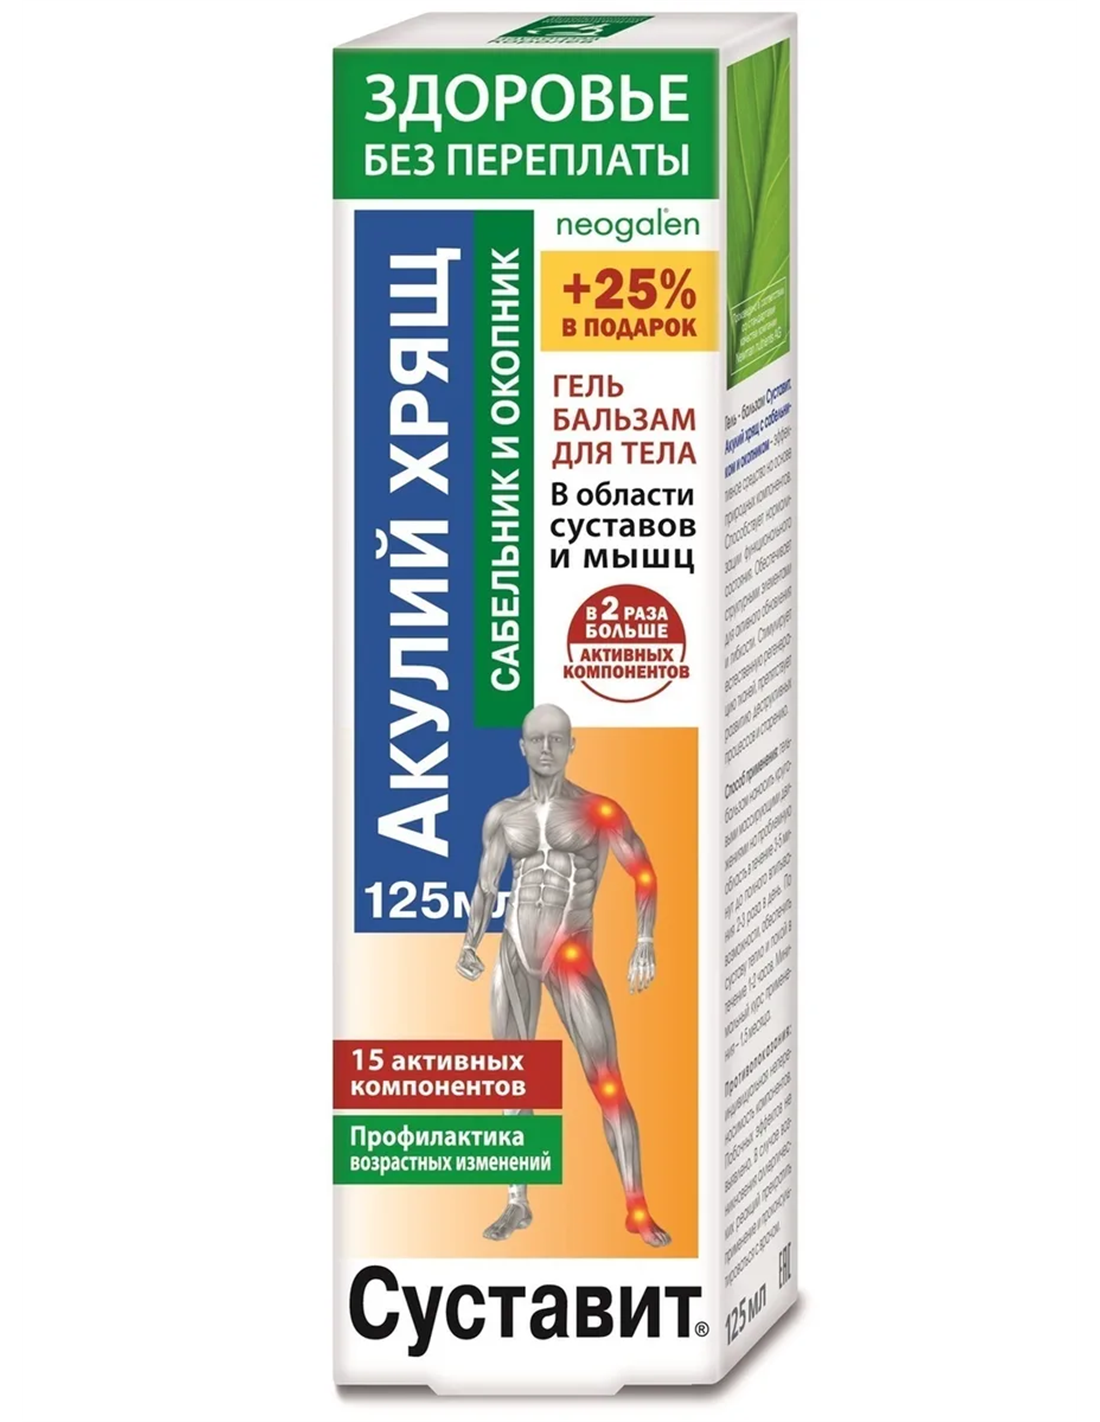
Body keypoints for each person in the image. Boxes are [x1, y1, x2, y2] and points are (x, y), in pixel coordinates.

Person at [456, 703, 669, 1247]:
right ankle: (517, 1201)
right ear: (522, 747)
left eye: (557, 739)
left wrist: (644, 941)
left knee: (606, 1079)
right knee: (513, 1080)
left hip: (569, 953)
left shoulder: (597, 810)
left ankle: (637, 1207)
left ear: (573, 745)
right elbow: (486, 885)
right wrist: (469, 943)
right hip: (514, 952)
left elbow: (643, 871)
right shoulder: (504, 816)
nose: (546, 748)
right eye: (537, 739)